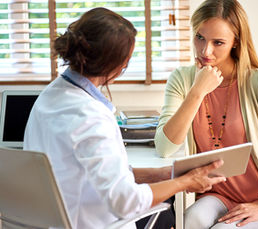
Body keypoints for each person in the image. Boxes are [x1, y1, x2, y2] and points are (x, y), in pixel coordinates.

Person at [23, 7, 226, 229]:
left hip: (62, 219)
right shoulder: (91, 117)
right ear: (118, 66)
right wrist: (183, 183)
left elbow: (101, 172)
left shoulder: (49, 97)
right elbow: (125, 201)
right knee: (170, 208)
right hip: (94, 222)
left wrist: (164, 174)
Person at [154, 0, 258, 228]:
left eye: (218, 42)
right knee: (190, 220)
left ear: (236, 42)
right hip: (218, 196)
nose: (206, 51)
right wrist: (197, 91)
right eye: (200, 37)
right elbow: (165, 148)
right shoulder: (182, 79)